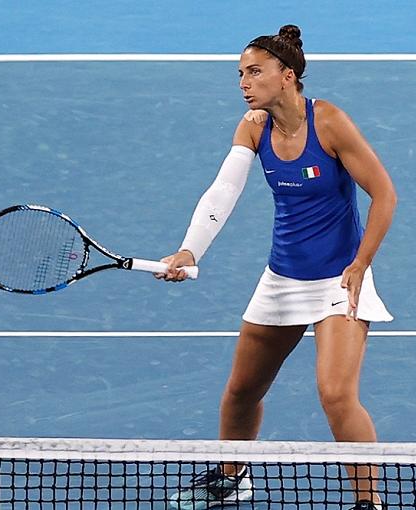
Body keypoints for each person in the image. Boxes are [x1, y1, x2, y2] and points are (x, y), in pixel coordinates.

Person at [158, 24, 397, 510]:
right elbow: (223, 191)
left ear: (287, 75)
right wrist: (189, 250)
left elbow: (384, 194)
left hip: (338, 280)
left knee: (336, 395)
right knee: (241, 391)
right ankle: (232, 478)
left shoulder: (329, 122)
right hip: (282, 279)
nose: (243, 83)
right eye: (240, 74)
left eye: (254, 72)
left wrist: (361, 263)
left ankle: (369, 503)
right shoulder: (253, 126)